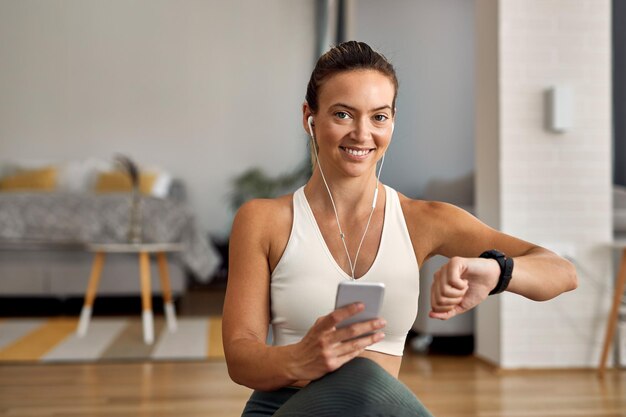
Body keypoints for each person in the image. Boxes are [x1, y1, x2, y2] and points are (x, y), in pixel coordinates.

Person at [222, 41, 577, 416]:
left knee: (366, 382)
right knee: (362, 376)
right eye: (343, 114)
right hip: (284, 407)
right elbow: (240, 357)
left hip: (375, 408)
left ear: (392, 121)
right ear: (309, 117)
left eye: (378, 117)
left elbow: (562, 272)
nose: (362, 134)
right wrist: (300, 359)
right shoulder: (264, 220)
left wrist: (496, 270)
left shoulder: (421, 219)